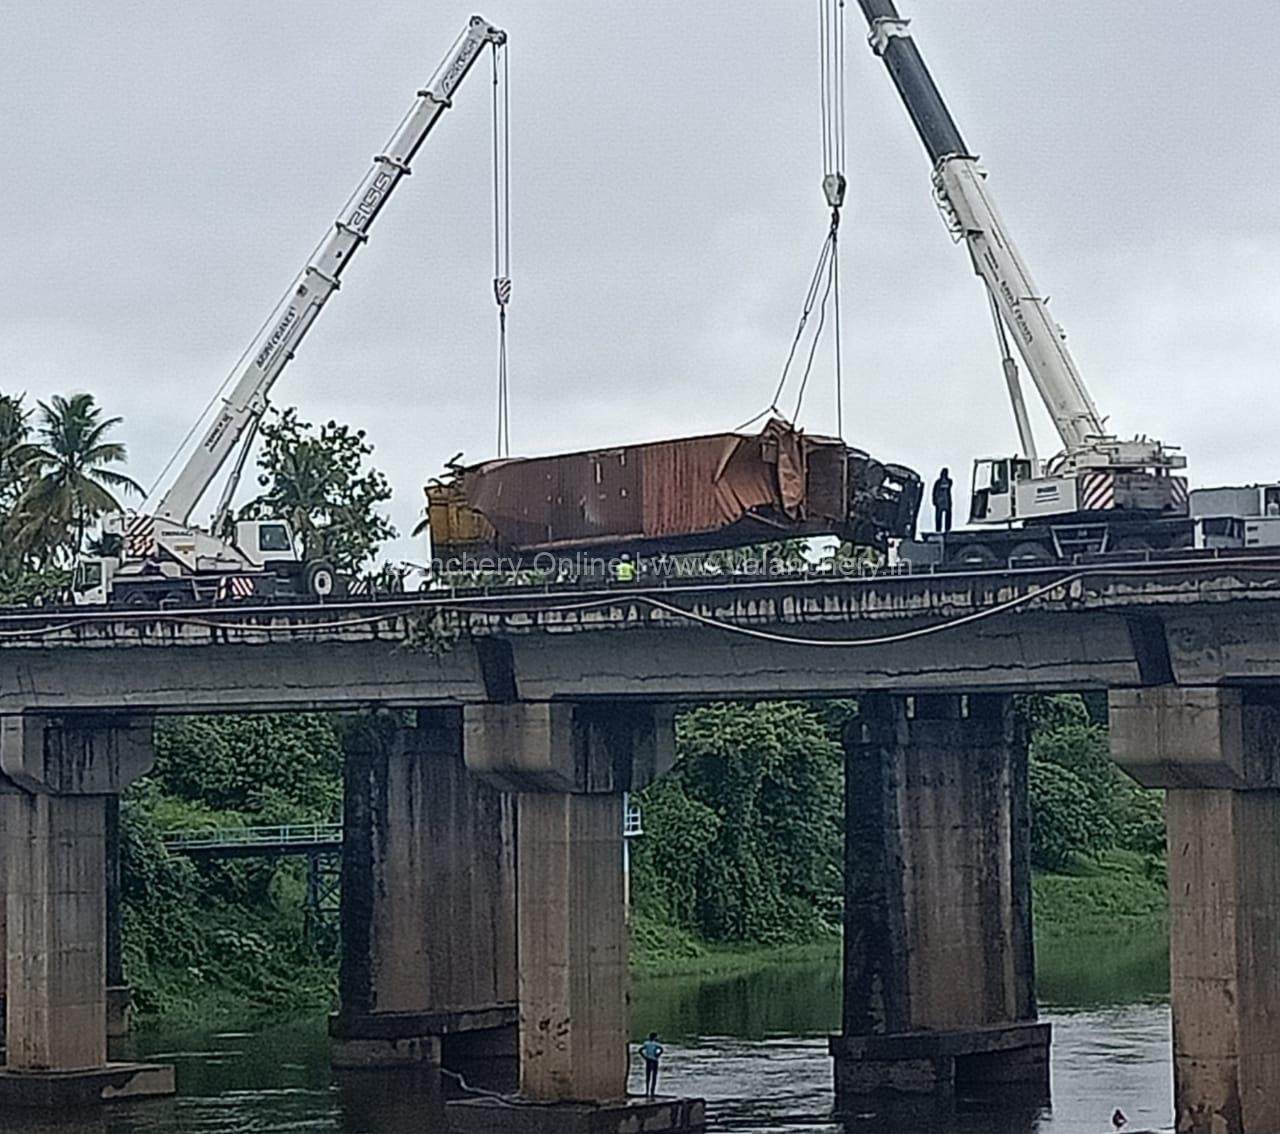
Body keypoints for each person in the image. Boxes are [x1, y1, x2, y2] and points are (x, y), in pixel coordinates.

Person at [639, 1032, 663, 1098]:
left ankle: (647, 1091)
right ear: (655, 1037)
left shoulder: (646, 1043)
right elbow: (661, 1050)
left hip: (648, 1060)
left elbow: (640, 1050)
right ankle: (652, 1092)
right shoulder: (656, 1044)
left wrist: (644, 1056)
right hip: (654, 1060)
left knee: (648, 1076)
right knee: (654, 1076)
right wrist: (657, 1055)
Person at [932, 467, 954, 533]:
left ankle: (947, 530)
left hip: (947, 501)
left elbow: (949, 486)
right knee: (938, 517)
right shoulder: (937, 482)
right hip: (939, 502)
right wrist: (934, 500)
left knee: (948, 516)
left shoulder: (949, 481)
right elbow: (934, 492)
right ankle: (938, 530)